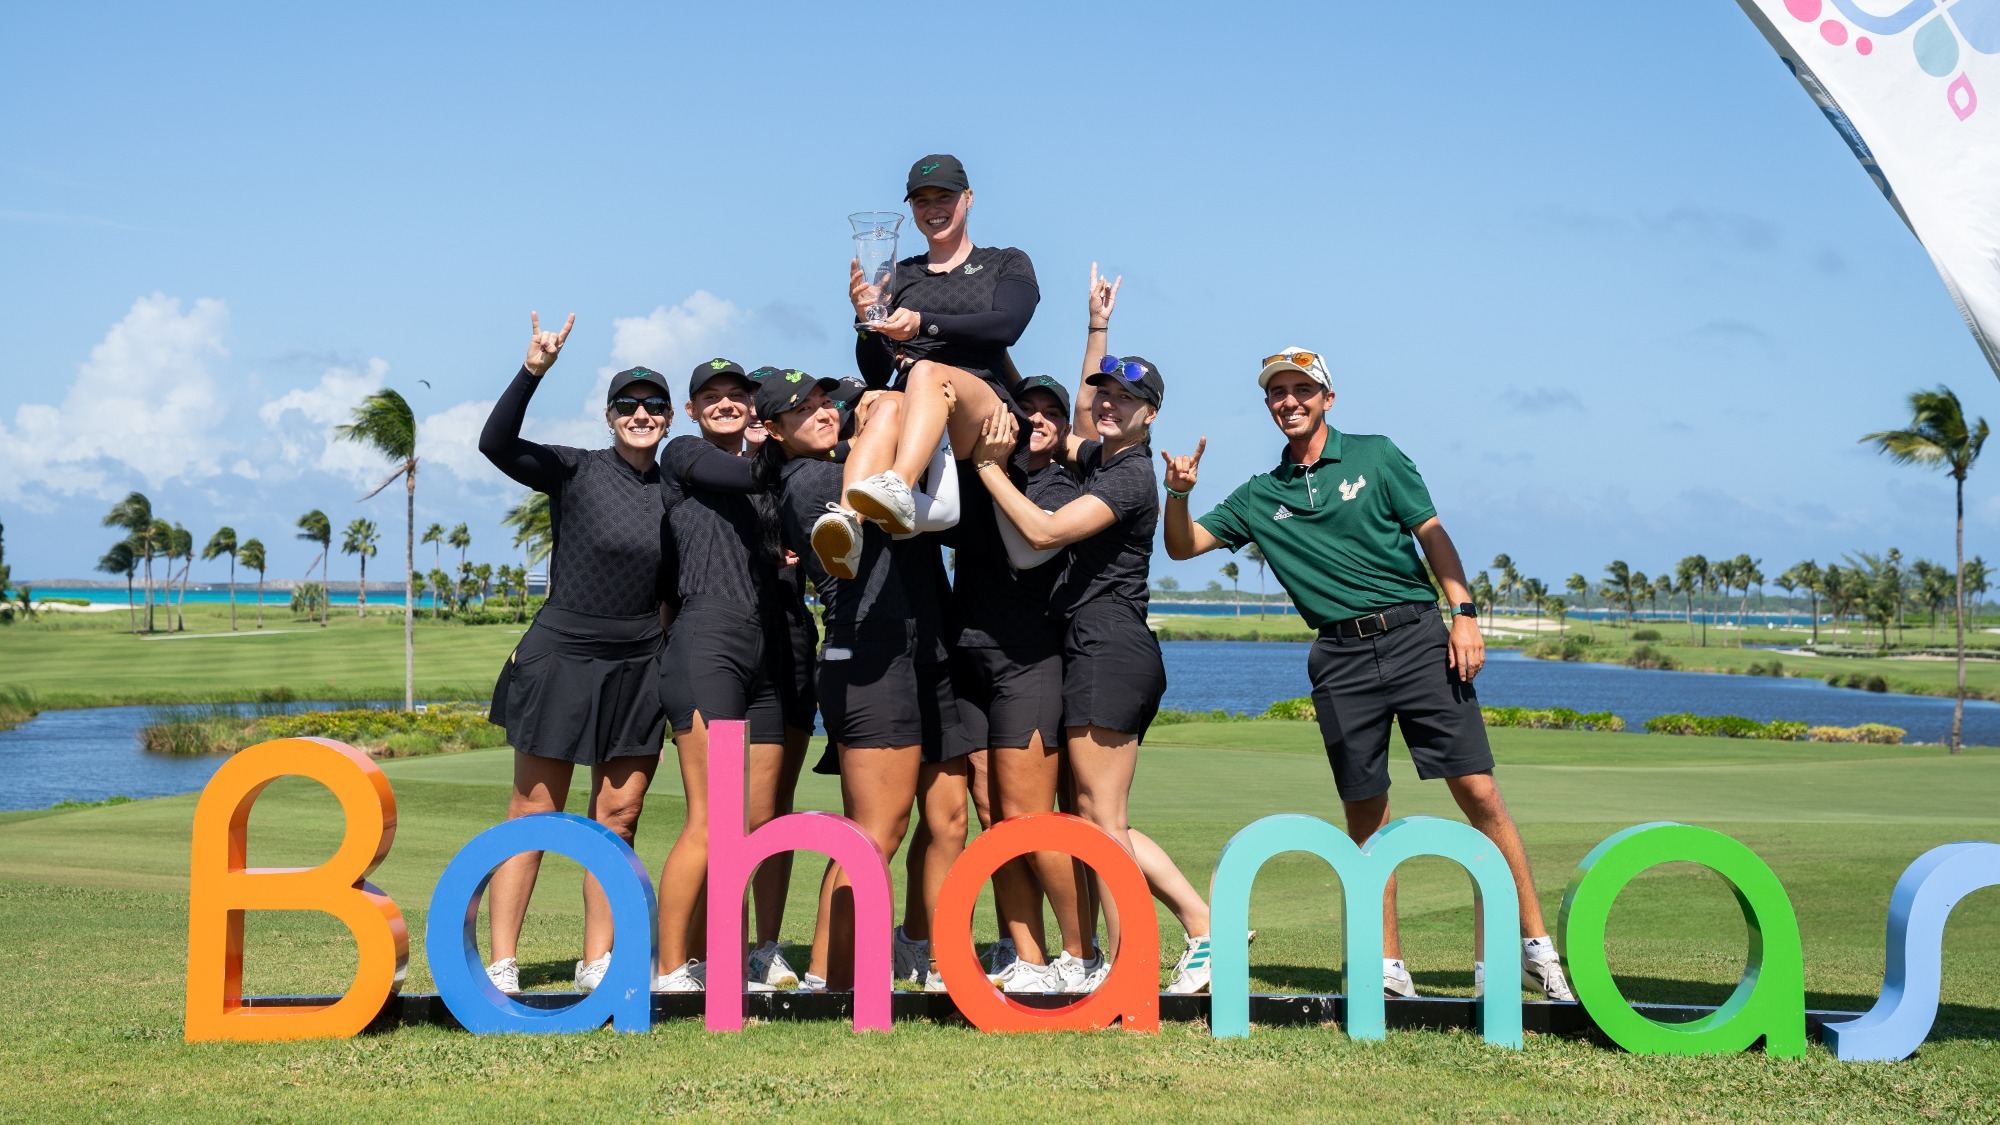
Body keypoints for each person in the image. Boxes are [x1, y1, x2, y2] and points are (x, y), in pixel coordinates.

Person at [1159, 346, 1577, 1002]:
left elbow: (1431, 532)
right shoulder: (1259, 495)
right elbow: (1182, 546)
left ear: (1327, 398)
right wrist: (1179, 494)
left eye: (1303, 389)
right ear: (1268, 405)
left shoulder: (1376, 456)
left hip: (1416, 637)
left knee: (1479, 791)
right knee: (1366, 814)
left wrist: (1464, 613)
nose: (1290, 401)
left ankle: (1531, 948)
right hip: (1340, 657)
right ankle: (1387, 969)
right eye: (1278, 392)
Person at [969, 270, 1214, 995]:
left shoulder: (1130, 477)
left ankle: (1145, 953)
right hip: (1091, 645)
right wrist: (1097, 326)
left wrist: (988, 469)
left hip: (1111, 646)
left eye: (1124, 399)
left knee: (1101, 817)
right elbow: (1080, 407)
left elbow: (1044, 530)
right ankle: (1188, 930)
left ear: (1150, 415)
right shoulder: (1099, 455)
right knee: (1095, 815)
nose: (1107, 404)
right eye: (1105, 394)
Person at [750, 371, 971, 991]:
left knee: (949, 819)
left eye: (827, 403)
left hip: (920, 648)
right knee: (876, 833)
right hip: (869, 654)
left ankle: (928, 956)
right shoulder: (811, 480)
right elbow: (931, 509)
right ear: (774, 430)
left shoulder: (855, 463)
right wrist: (898, 412)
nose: (823, 413)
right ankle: (827, 978)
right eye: (803, 410)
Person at [476, 313, 669, 995]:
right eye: (627, 405)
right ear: (610, 416)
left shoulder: (679, 489)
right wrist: (533, 370)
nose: (640, 415)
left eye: (653, 405)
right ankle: (502, 961)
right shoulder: (575, 468)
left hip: (640, 664)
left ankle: (597, 960)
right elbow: (495, 443)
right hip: (561, 654)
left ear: (669, 417)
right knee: (534, 811)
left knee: (618, 817)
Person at [898, 373, 1092, 993]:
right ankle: (1029, 957)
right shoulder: (979, 476)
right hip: (967, 661)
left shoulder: (1059, 485)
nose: (1035, 418)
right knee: (994, 818)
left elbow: (1028, 551)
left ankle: (1082, 953)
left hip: (1029, 663)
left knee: (1031, 818)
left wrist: (989, 468)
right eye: (1024, 408)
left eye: (1049, 411)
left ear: (1065, 426)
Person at [650, 359, 803, 993]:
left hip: (765, 647)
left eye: (736, 395)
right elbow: (742, 474)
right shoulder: (685, 454)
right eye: (710, 397)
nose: (724, 404)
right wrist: (784, 445)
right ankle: (669, 969)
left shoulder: (766, 478)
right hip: (707, 643)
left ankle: (722, 953)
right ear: (691, 410)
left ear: (751, 405)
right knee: (713, 820)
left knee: (758, 822)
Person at [829, 153, 1039, 551]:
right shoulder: (898, 275)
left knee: (926, 370)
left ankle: (899, 485)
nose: (933, 209)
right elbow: (876, 373)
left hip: (979, 400)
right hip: (912, 403)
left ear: (968, 197)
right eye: (921, 201)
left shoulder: (1005, 261)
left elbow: (1007, 326)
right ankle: (847, 526)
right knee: (885, 405)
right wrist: (866, 320)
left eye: (944, 196)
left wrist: (922, 323)